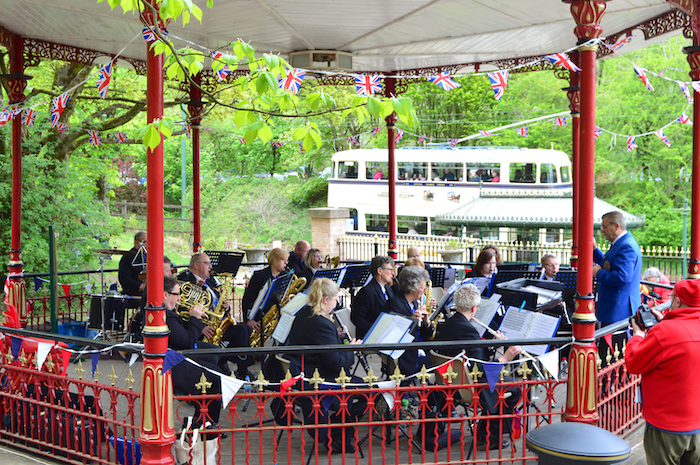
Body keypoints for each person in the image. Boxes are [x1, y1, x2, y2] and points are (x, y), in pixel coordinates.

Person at [436, 284, 521, 450]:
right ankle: (491, 436)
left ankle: (484, 432)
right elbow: (481, 370)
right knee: (515, 388)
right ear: (475, 308)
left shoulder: (449, 324)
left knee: (507, 384)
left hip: (451, 381)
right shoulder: (468, 330)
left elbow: (473, 358)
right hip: (469, 387)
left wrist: (490, 346)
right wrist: (505, 357)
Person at [286, 278, 366, 454]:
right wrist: (351, 350)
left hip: (305, 373)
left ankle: (339, 435)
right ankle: (337, 434)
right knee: (370, 392)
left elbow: (318, 343)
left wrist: (335, 337)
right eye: (335, 299)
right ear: (325, 299)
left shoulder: (305, 314)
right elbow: (335, 363)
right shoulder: (322, 323)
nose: (336, 303)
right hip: (319, 379)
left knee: (360, 386)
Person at [626, 279, 700, 465]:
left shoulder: (665, 332)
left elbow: (634, 363)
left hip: (668, 426)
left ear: (677, 301)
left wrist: (638, 336)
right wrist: (664, 322)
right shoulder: (667, 329)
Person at [178, 253, 255, 379]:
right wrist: (200, 327)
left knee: (244, 329)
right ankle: (225, 364)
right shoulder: (185, 281)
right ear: (197, 265)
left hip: (216, 323)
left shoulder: (211, 281)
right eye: (207, 263)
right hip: (202, 329)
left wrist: (226, 306)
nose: (211, 267)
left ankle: (241, 369)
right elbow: (181, 311)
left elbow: (217, 302)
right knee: (241, 332)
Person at [164, 276, 224, 427]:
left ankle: (201, 420)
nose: (179, 298)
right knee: (215, 375)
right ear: (165, 294)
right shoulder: (167, 316)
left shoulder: (167, 313)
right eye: (176, 294)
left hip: (173, 359)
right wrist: (195, 319)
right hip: (172, 366)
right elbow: (187, 342)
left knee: (215, 365)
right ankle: (206, 424)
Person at [381, 266, 434, 375]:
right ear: (411, 289)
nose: (424, 291)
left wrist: (426, 322)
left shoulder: (415, 302)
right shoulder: (394, 305)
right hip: (406, 359)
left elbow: (427, 335)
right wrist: (411, 322)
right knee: (444, 362)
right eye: (423, 288)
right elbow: (391, 337)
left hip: (418, 350)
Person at [593, 211, 642, 325]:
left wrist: (598, 273)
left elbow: (623, 276)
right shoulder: (622, 243)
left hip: (619, 310)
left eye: (604, 227)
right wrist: (595, 250)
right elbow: (609, 265)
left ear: (616, 226)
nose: (602, 230)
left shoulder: (626, 246)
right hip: (616, 308)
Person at [241, 248, 289, 326]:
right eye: (283, 260)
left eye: (287, 260)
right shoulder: (259, 276)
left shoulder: (285, 276)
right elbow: (247, 299)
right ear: (275, 259)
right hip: (260, 318)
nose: (286, 263)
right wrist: (248, 320)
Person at [351, 256, 395, 339]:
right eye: (390, 269)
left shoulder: (388, 289)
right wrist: (375, 329)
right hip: (371, 337)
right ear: (380, 271)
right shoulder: (367, 291)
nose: (392, 273)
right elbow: (356, 318)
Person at [118, 232, 147, 298]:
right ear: (136, 243)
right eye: (145, 242)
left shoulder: (150, 256)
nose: (147, 245)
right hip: (134, 293)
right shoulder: (127, 257)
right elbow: (124, 278)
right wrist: (140, 286)